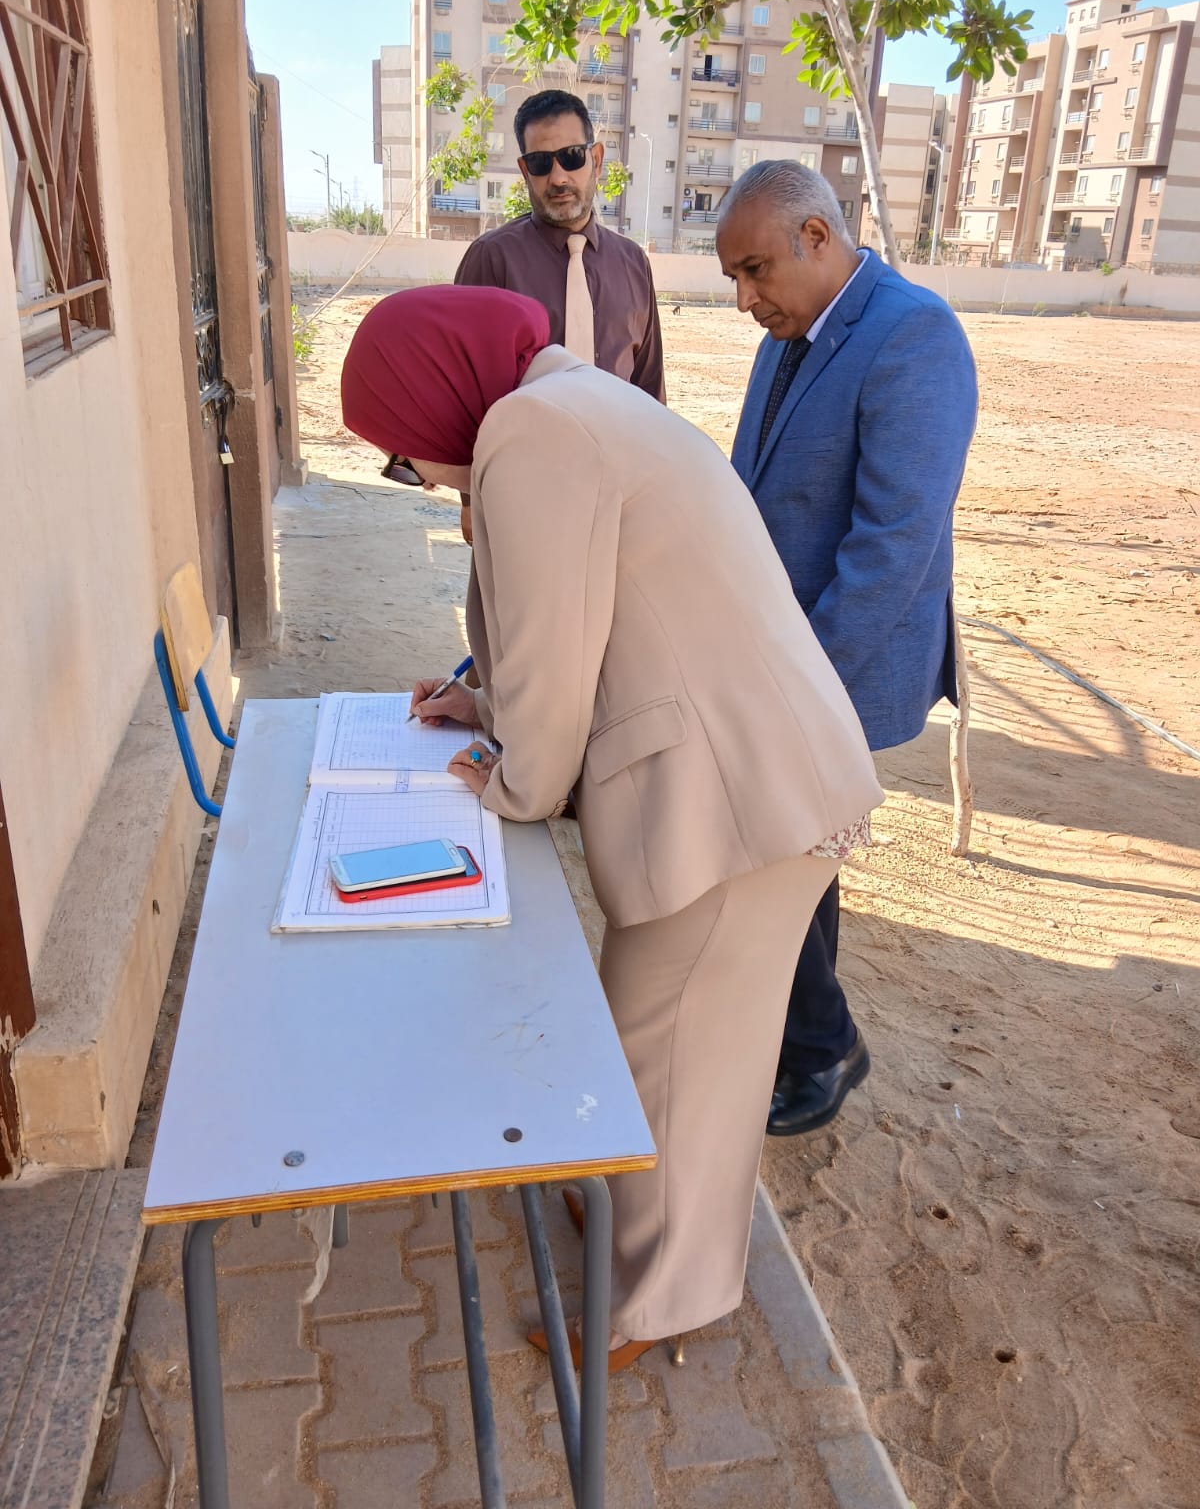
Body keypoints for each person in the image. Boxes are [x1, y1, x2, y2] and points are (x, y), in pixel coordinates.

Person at [341, 284, 882, 1369]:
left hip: (735, 796)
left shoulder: (530, 431)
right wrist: (484, 706)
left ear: (432, 398)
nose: (420, 478)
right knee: (664, 1041)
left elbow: (553, 655)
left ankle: (658, 1302)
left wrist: (510, 780)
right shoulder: (569, 403)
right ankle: (636, 1212)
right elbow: (589, 619)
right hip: (749, 773)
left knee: (673, 1057)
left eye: (401, 457)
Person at [716, 161, 977, 1139]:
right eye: (733, 278)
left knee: (786, 853)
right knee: (793, 851)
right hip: (775, 652)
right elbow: (754, 486)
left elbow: (893, 545)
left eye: (755, 270)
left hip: (838, 662)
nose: (745, 298)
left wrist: (799, 684)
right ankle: (804, 1037)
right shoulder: (788, 331)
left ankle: (822, 1048)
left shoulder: (915, 336)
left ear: (817, 237)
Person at [452, 88, 665, 544]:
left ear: (596, 159)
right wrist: (470, 498)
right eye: (541, 163)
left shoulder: (633, 264)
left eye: (571, 157)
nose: (559, 177)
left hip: (616, 492)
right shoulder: (491, 260)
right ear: (524, 171)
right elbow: (463, 391)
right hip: (520, 491)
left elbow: (649, 386)